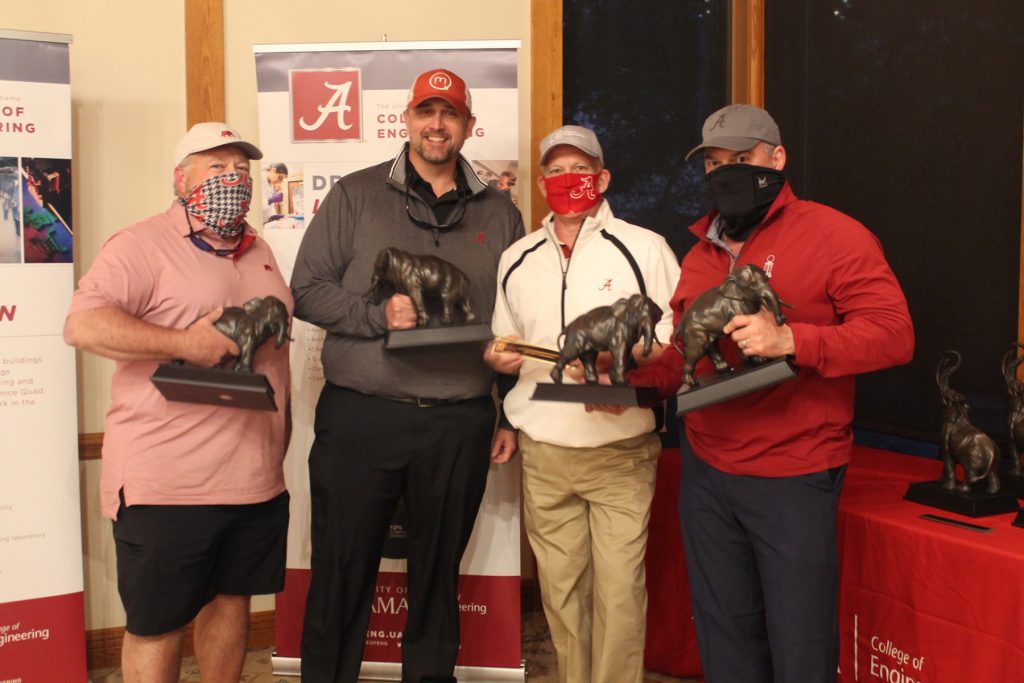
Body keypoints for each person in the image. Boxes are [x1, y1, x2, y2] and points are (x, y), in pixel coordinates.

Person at [625, 104, 914, 683]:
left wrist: (792, 339)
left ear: (776, 159)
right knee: (722, 633)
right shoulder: (701, 254)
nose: (725, 173)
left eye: (741, 160)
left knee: (799, 643)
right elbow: (682, 362)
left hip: (794, 474)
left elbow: (895, 336)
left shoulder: (835, 235)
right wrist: (630, 367)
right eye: (713, 163)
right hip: (707, 473)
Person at [290, 68, 524, 683]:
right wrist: (375, 315)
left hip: (458, 421)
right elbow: (306, 290)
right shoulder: (355, 195)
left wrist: (505, 409)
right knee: (341, 571)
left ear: (469, 126)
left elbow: (513, 320)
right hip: (362, 417)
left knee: (438, 576)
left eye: (450, 114)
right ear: (408, 120)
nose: (437, 124)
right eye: (426, 111)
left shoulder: (501, 212)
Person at [63, 122, 292, 683]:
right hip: (167, 484)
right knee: (157, 624)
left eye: (241, 168)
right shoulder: (140, 244)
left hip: (255, 478)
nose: (232, 178)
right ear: (180, 177)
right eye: (216, 167)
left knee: (231, 603)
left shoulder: (260, 248)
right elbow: (83, 326)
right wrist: (183, 343)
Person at [484, 124, 681, 683]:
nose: (567, 180)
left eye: (579, 168)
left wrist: (627, 364)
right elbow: (510, 341)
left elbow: (679, 341)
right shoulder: (517, 256)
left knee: (619, 594)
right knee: (562, 595)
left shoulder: (645, 248)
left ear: (602, 177)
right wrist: (500, 360)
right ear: (540, 180)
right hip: (545, 454)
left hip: (621, 453)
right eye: (555, 170)